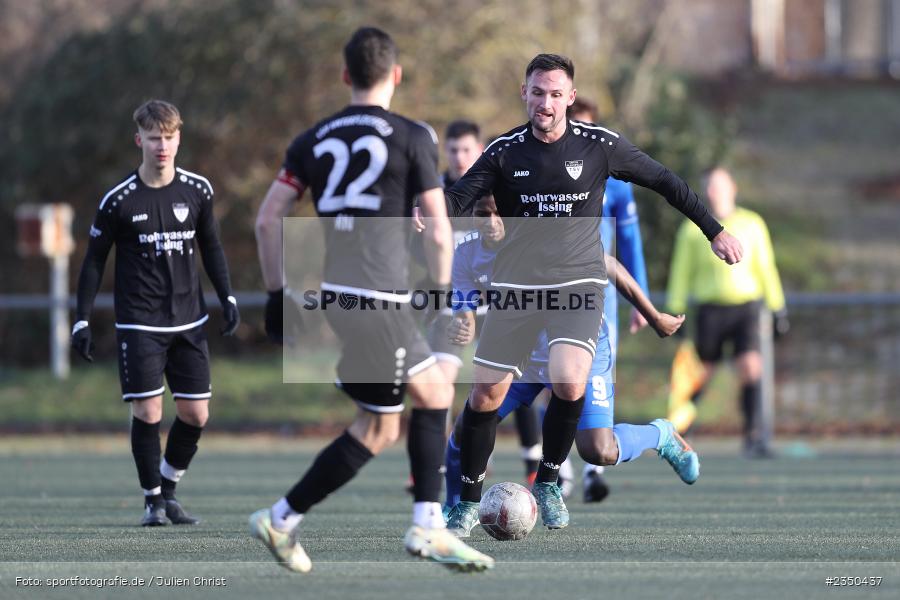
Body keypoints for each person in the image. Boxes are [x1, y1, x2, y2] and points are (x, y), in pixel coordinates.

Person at [442, 53, 743, 532]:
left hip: (577, 286)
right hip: (519, 290)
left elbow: (663, 181)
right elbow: (457, 198)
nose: (546, 103)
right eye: (537, 92)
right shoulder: (503, 151)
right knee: (482, 398)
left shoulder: (599, 147)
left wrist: (714, 230)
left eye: (556, 94)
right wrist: (422, 213)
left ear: (570, 98)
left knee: (570, 382)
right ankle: (464, 503)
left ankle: (547, 480)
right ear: (524, 93)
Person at [250, 27, 492, 573]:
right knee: (434, 391)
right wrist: (441, 292)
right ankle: (429, 527)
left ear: (345, 76)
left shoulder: (312, 139)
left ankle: (282, 519)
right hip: (379, 298)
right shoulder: (411, 136)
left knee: (380, 426)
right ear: (396, 75)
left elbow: (267, 220)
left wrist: (273, 297)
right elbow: (436, 227)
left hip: (339, 297)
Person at [441, 195, 690, 534]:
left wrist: (654, 315)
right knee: (467, 424)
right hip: (524, 354)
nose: (492, 221)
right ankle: (457, 506)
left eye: (500, 212)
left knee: (598, 450)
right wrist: (463, 322)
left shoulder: (543, 237)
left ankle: (660, 435)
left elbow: (610, 266)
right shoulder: (468, 253)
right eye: (483, 213)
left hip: (581, 348)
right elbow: (464, 309)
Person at [71, 99, 240, 527]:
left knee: (195, 414)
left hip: (190, 320)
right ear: (139, 141)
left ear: (178, 138)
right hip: (140, 322)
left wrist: (228, 297)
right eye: (153, 138)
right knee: (148, 412)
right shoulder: (118, 200)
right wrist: (82, 318)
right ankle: (152, 503)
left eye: (168, 137)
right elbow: (93, 260)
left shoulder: (198, 190)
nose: (161, 146)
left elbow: (213, 247)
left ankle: (168, 490)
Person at [666, 166, 788, 458]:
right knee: (699, 374)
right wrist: (675, 308)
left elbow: (766, 268)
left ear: (733, 188)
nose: (714, 191)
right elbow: (681, 272)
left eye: (720, 185)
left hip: (746, 309)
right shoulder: (692, 229)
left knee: (751, 367)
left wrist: (777, 307)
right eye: (709, 186)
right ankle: (679, 436)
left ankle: (754, 435)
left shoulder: (752, 224)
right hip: (710, 311)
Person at [567, 96, 651, 502]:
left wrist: (641, 297)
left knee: (595, 381)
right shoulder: (543, 170)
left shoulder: (616, 184)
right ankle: (560, 469)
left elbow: (629, 241)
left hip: (601, 298)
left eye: (586, 126)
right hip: (551, 296)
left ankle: (593, 472)